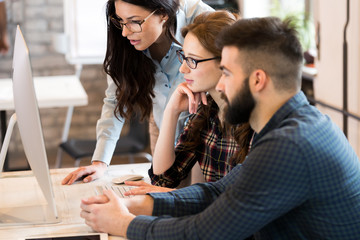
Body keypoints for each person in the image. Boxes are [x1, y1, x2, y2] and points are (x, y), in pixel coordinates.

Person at [80, 17, 360, 239]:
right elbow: (219, 191)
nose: (221, 86)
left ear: (258, 79)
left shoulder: (290, 145)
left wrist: (125, 224)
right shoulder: (292, 125)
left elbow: (206, 232)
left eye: (226, 73)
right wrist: (139, 204)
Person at [62, 0, 213, 185]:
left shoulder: (201, 18)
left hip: (203, 126)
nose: (125, 32)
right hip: (162, 122)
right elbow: (114, 100)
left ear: (163, 14)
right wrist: (100, 162)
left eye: (135, 21)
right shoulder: (125, 41)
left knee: (197, 199)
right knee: (164, 194)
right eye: (121, 21)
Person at [124, 10, 252, 195]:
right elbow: (163, 179)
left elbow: (240, 201)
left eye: (192, 60)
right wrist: (172, 111)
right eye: (183, 57)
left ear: (226, 63)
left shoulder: (255, 122)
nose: (183, 68)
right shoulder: (206, 112)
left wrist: (173, 196)